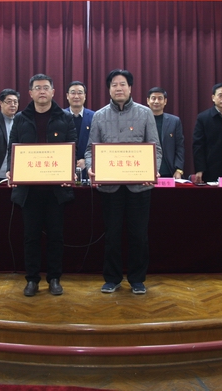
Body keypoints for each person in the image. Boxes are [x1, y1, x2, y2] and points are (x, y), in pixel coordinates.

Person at [85, 69, 162, 295]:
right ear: (109, 89)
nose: (118, 88)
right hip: (110, 187)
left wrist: (152, 169)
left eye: (123, 84)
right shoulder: (99, 116)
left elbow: (155, 148)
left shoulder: (145, 113)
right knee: (112, 235)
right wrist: (91, 167)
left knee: (139, 235)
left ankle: (137, 279)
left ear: (130, 88)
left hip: (139, 187)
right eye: (114, 85)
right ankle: (112, 278)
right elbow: (90, 150)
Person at [6, 74, 77, 297]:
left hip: (56, 191)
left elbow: (72, 147)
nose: (42, 91)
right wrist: (12, 169)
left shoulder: (65, 117)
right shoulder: (20, 118)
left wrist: (69, 170)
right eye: (37, 88)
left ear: (53, 92)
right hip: (29, 191)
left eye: (46, 87)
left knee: (56, 236)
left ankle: (54, 278)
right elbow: (12, 148)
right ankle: (32, 279)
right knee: (31, 237)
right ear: (30, 93)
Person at [147, 87, 185, 179]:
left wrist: (178, 169)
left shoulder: (174, 121)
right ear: (148, 101)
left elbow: (179, 147)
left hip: (169, 171)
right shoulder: (141, 121)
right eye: (153, 98)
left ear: (165, 101)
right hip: (147, 171)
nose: (156, 101)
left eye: (160, 98)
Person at [63, 81, 94, 171]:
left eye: (80, 93)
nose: (76, 96)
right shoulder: (60, 117)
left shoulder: (94, 116)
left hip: (88, 169)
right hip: (65, 168)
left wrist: (87, 161)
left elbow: (98, 142)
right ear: (67, 96)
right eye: (73, 93)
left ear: (85, 96)